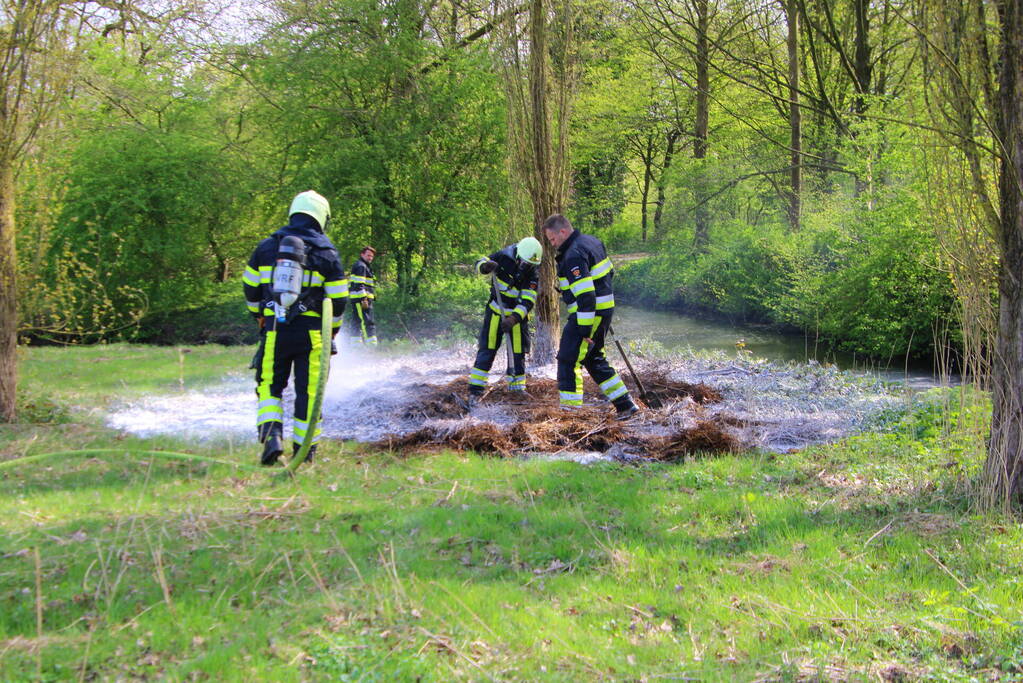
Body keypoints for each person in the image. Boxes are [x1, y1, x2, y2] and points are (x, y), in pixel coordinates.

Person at [242, 190, 348, 466]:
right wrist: (332, 331)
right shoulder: (327, 253)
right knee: (309, 392)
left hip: (275, 329)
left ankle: (271, 438)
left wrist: (259, 317)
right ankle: (305, 453)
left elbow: (250, 288)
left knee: (269, 386)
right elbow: (338, 301)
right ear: (322, 218)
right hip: (312, 335)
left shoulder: (266, 248)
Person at [541, 214, 639, 419]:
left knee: (568, 360)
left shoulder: (574, 254)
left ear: (563, 232)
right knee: (593, 358)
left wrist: (585, 328)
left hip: (586, 314)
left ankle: (570, 415)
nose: (552, 244)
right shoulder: (591, 241)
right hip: (602, 311)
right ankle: (625, 405)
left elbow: (586, 295)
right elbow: (608, 273)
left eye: (552, 239)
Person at [467, 236, 543, 404]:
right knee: (487, 349)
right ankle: (475, 390)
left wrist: (514, 319)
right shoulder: (503, 256)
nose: (526, 267)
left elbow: (528, 301)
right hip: (496, 311)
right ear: (517, 255)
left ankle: (516, 390)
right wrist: (485, 267)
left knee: (517, 353)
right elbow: (480, 262)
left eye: (530, 265)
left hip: (516, 318)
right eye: (524, 263)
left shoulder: (533, 274)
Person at [347, 246, 378, 345]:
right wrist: (364, 299)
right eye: (368, 255)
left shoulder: (362, 265)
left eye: (371, 256)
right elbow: (359, 284)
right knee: (366, 321)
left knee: (357, 321)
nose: (370, 258)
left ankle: (356, 345)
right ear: (362, 254)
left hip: (359, 298)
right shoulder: (361, 266)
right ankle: (370, 346)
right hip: (361, 299)